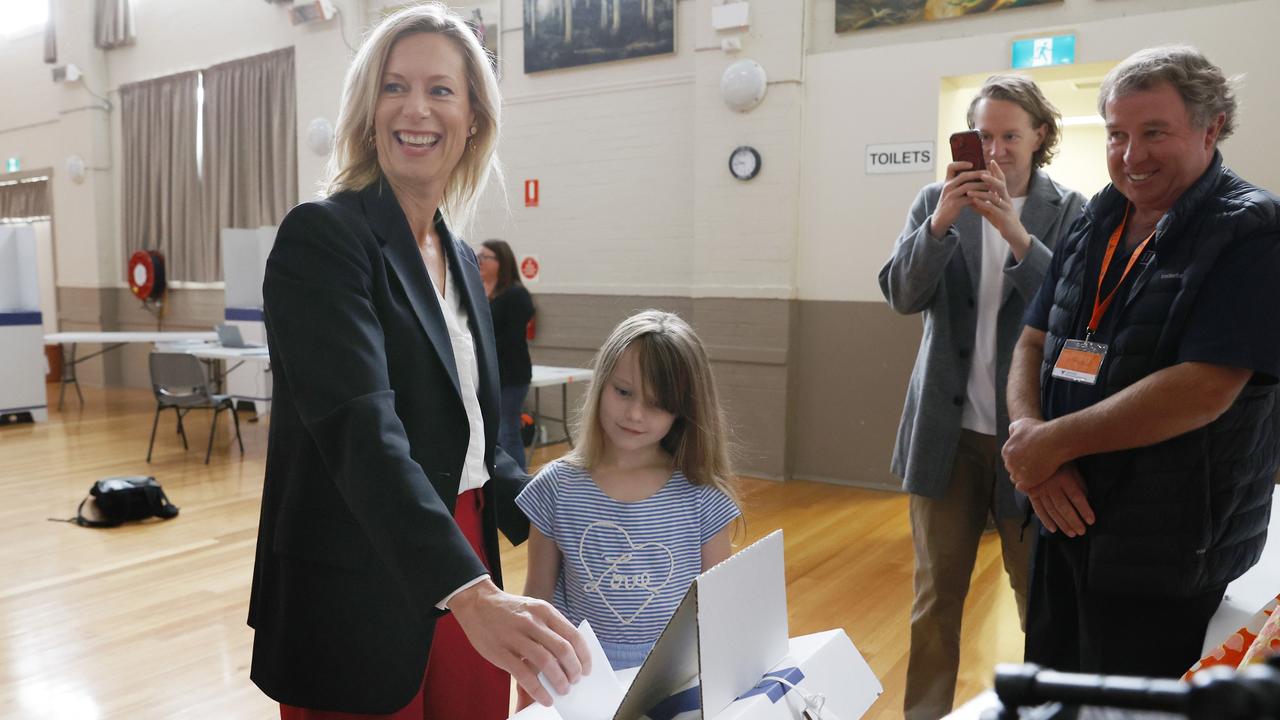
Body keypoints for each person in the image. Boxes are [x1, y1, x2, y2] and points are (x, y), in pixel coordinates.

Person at [247, 5, 589, 718]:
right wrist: (468, 590)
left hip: (464, 539)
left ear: (472, 120)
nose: (416, 109)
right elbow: (360, 431)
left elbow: (475, 427)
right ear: (368, 111)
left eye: (440, 90)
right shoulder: (325, 237)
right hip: (360, 562)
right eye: (394, 86)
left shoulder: (463, 258)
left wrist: (567, 500)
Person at [1005, 45, 1280, 678]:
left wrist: (1049, 445)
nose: (1132, 155)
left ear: (1211, 128)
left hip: (1166, 552)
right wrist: (1033, 448)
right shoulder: (1094, 218)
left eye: (1154, 132)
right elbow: (1031, 344)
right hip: (1061, 518)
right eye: (1117, 134)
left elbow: (1205, 387)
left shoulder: (1252, 231)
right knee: (1048, 695)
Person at [878, 74, 1085, 719]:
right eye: (982, 135)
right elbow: (901, 295)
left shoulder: (1073, 210)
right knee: (936, 600)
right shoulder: (932, 202)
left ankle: (1043, 711)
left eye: (1010, 136)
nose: (994, 151)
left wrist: (1012, 230)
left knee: (1038, 594)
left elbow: (1075, 309)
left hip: (1031, 441)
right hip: (947, 433)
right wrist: (941, 222)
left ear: (1040, 136)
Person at [516, 310, 741, 682]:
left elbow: (720, 607)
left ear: (683, 410)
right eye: (623, 392)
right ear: (601, 383)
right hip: (577, 678)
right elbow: (538, 599)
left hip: (675, 675)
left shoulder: (702, 496)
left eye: (657, 403)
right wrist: (529, 687)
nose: (635, 414)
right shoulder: (556, 486)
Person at [479, 239, 535, 471]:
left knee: (508, 430)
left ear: (501, 262)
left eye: (485, 257)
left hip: (511, 374)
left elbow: (511, 337)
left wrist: (479, 347)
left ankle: (519, 484)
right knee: (492, 432)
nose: (479, 261)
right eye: (478, 256)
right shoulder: (480, 290)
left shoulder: (516, 294)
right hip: (489, 374)